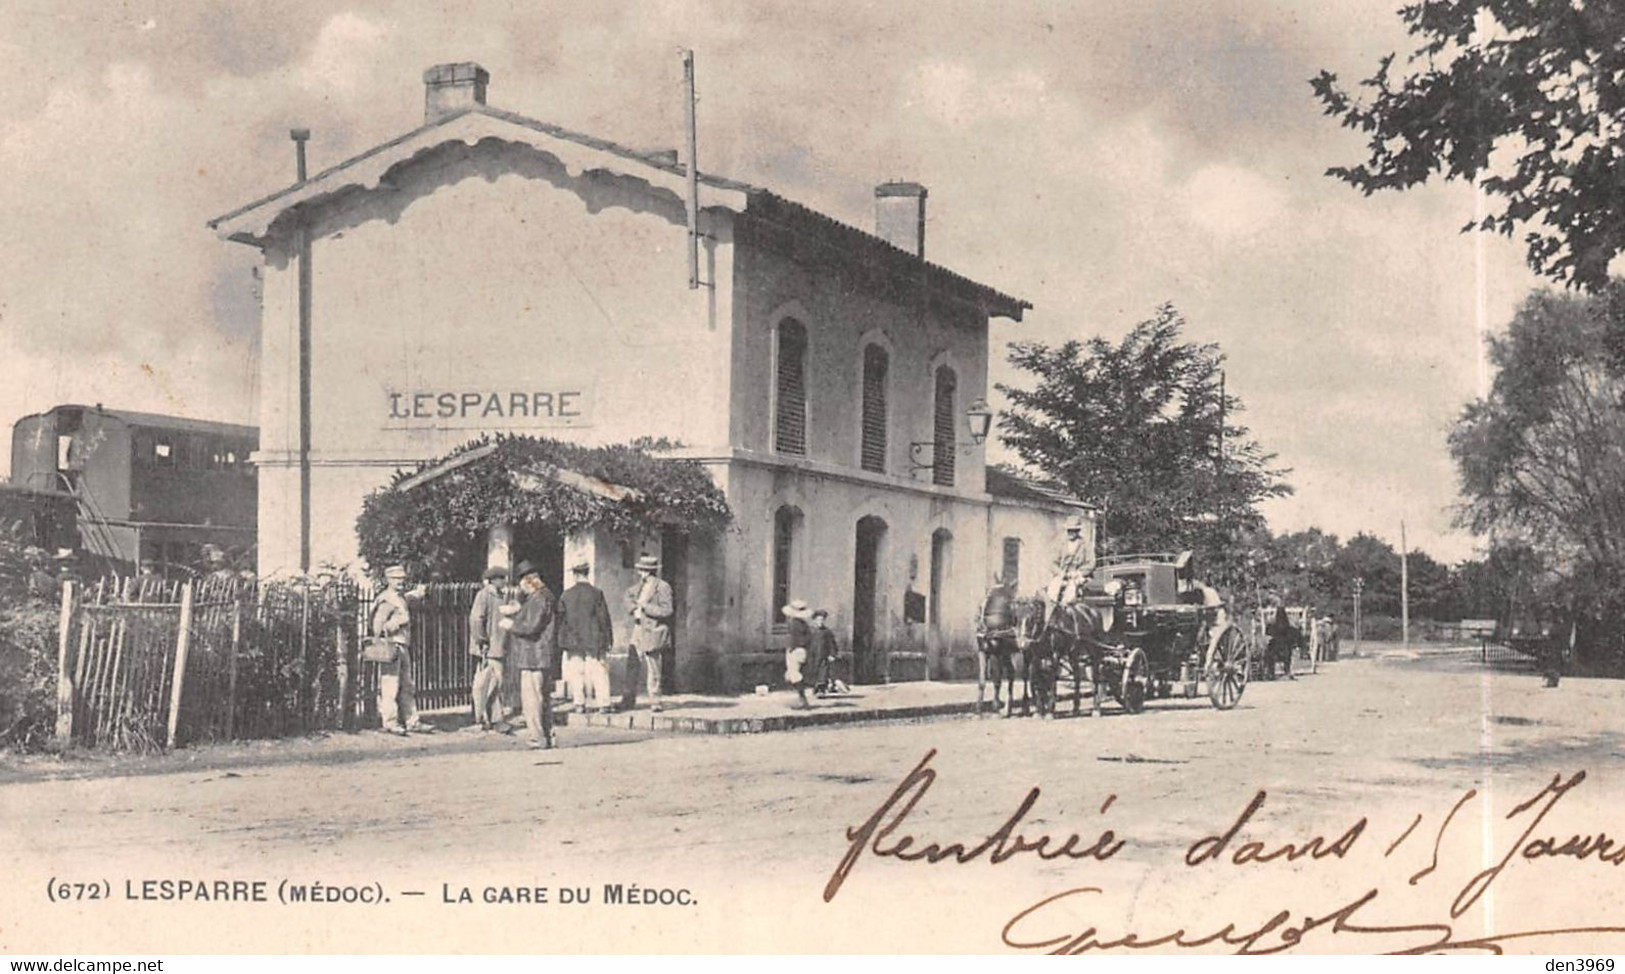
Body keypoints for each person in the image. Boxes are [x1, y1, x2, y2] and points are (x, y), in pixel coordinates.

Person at [500, 560, 558, 749]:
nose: (520, 588)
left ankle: (536, 738)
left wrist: (512, 625)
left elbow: (531, 627)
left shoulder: (538, 598)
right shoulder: (545, 596)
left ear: (528, 581)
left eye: (521, 584)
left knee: (532, 700)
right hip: (543, 655)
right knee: (544, 699)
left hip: (534, 656)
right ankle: (547, 737)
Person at [372, 564, 431, 735]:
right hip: (392, 646)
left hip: (403, 646)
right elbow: (377, 627)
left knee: (407, 685)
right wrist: (397, 623)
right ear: (388, 580)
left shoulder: (399, 598)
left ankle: (412, 721)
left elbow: (409, 597)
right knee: (390, 685)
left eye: (402, 579)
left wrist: (419, 593)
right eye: (396, 579)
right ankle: (390, 722)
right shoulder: (386, 600)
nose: (400, 582)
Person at [557, 559, 614, 714]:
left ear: (575, 575)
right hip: (593, 639)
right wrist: (608, 639)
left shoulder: (566, 595)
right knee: (599, 671)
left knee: (576, 673)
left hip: (573, 640)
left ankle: (579, 704)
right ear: (587, 573)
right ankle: (604, 704)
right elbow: (604, 619)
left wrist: (563, 641)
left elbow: (561, 621)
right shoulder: (597, 594)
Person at [623, 554, 674, 713]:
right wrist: (632, 607)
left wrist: (646, 607)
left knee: (653, 666)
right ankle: (628, 699)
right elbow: (628, 597)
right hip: (638, 629)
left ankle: (655, 700)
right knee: (632, 663)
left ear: (650, 571)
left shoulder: (663, 587)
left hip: (653, 630)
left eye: (644, 571)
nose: (642, 573)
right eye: (642, 570)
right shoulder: (638, 586)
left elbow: (667, 610)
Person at [467, 565, 511, 732]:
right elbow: (476, 619)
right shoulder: (484, 595)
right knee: (489, 682)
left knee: (494, 682)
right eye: (501, 578)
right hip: (488, 647)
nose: (504, 581)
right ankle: (492, 718)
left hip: (497, 645)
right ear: (493, 580)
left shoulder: (501, 596)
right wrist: (482, 640)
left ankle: (488, 718)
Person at [1045, 516, 1093, 605]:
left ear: (1078, 531)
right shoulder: (1060, 544)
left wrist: (1078, 573)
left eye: (1073, 531)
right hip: (1062, 574)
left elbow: (1091, 563)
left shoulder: (1085, 545)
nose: (1071, 533)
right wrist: (1060, 572)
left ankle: (1066, 608)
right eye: (1069, 530)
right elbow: (1053, 563)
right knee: (1052, 590)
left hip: (1077, 576)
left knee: (1071, 591)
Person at [782, 599, 814, 708]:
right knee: (794, 673)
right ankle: (802, 698)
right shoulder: (804, 625)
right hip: (802, 650)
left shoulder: (794, 624)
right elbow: (809, 638)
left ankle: (802, 699)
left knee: (794, 674)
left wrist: (792, 648)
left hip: (796, 650)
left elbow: (794, 639)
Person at [810, 608, 848, 696]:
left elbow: (832, 644)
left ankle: (821, 690)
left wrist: (832, 654)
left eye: (822, 620)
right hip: (814, 656)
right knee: (814, 672)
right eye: (818, 620)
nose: (820, 622)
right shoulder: (812, 632)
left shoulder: (827, 632)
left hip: (824, 656)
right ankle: (816, 688)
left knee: (823, 673)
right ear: (815, 621)